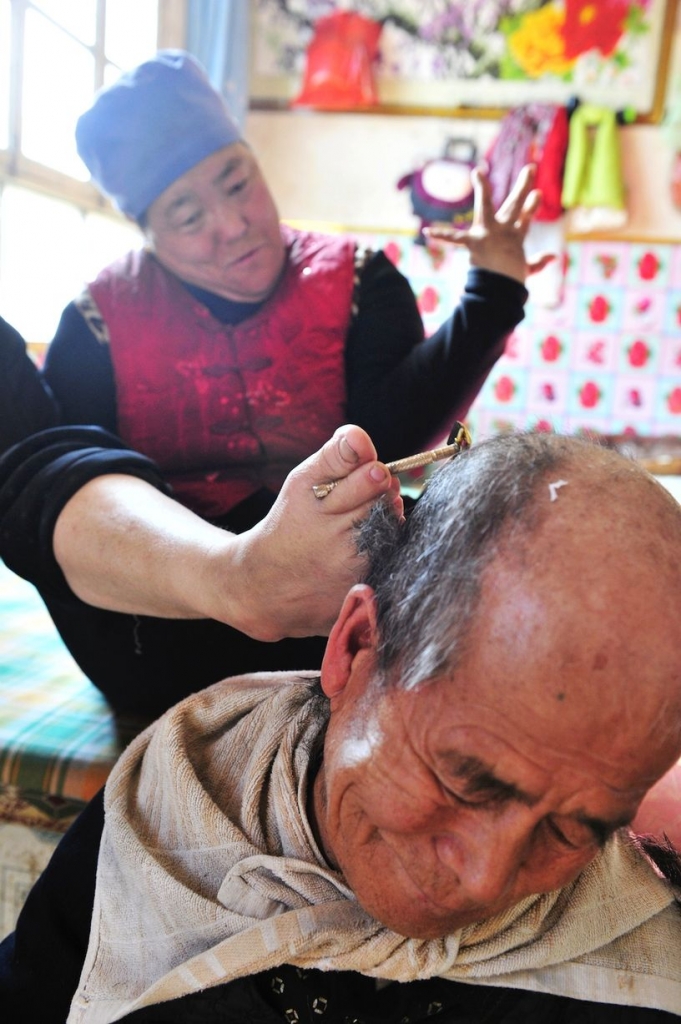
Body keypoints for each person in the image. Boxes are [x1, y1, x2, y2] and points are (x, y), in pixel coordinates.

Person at [1, 430, 680, 1023]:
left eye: (570, 830)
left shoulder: (643, 961)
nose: (483, 879)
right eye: (462, 781)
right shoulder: (166, 819)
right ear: (354, 646)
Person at [0, 49, 551, 718]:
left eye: (236, 183)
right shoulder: (95, 324)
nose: (232, 227)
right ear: (146, 233)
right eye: (188, 215)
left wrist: (493, 290)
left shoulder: (359, 281)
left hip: (338, 620)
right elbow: (65, 497)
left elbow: (399, 437)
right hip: (162, 646)